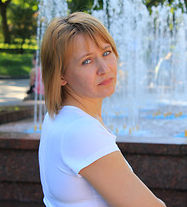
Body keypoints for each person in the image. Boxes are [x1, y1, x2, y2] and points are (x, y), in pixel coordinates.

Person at [39, 12, 166, 207]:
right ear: (61, 76)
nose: (104, 68)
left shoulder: (59, 117)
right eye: (87, 61)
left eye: (106, 53)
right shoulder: (81, 130)